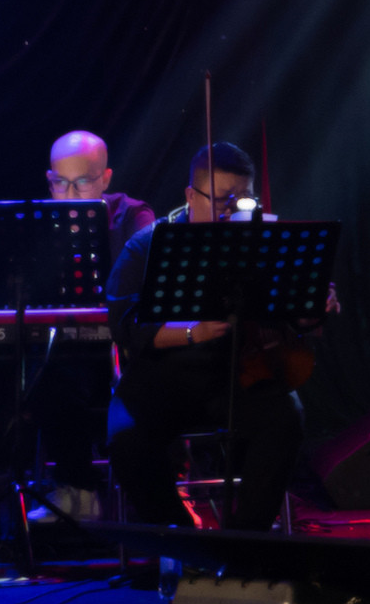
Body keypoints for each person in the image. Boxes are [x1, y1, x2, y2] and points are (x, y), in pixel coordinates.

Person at [103, 143, 311, 530]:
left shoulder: (260, 243)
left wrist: (310, 307)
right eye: (220, 200)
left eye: (242, 200)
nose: (231, 211)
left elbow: (292, 316)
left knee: (286, 418)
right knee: (126, 437)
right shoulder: (146, 246)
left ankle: (244, 541)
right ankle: (183, 539)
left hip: (239, 372)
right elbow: (125, 328)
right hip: (162, 377)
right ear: (190, 195)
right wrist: (192, 332)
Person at [28, 130, 156, 503]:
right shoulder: (38, 222)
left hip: (119, 352)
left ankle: (81, 490)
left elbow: (144, 288)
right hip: (62, 348)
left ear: (105, 178)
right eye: (59, 183)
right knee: (44, 374)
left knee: (63, 379)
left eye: (82, 182)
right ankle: (75, 489)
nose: (69, 194)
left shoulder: (132, 215)